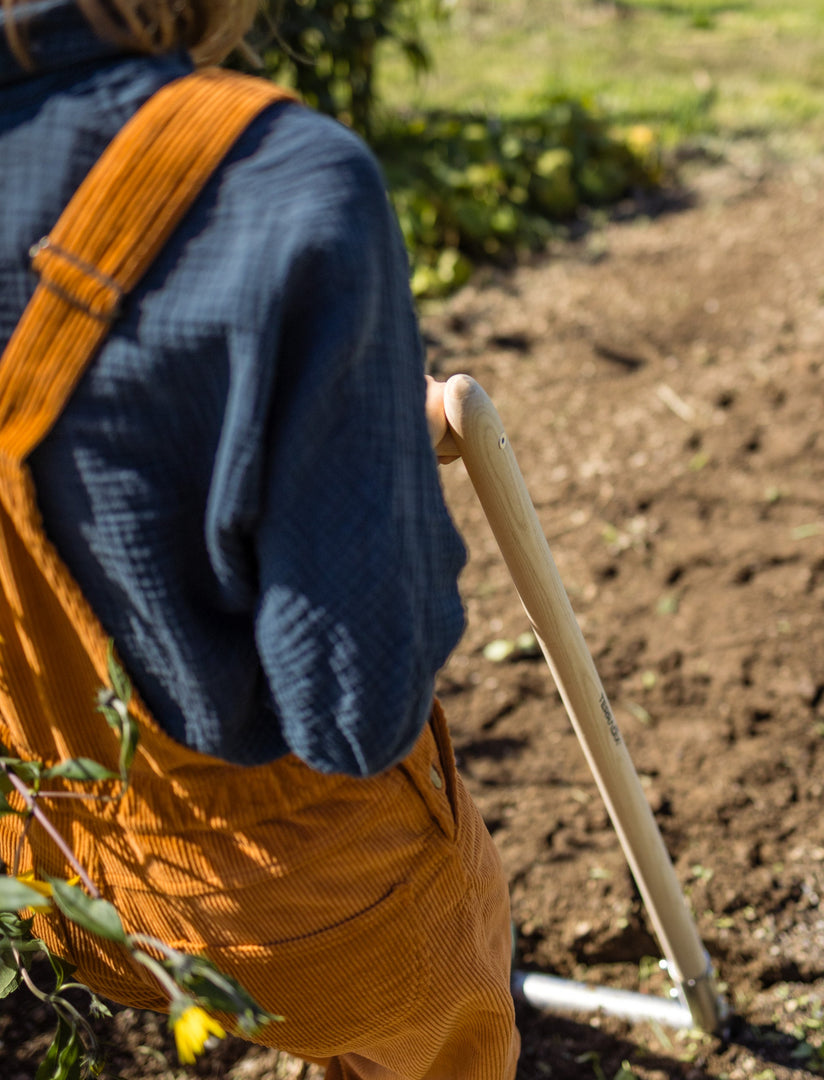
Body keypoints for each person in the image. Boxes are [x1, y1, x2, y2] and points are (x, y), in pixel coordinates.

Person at [0, 0, 520, 1077]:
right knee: (443, 1024)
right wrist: (355, 442)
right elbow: (355, 709)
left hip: (48, 861)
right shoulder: (271, 180)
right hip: (300, 905)